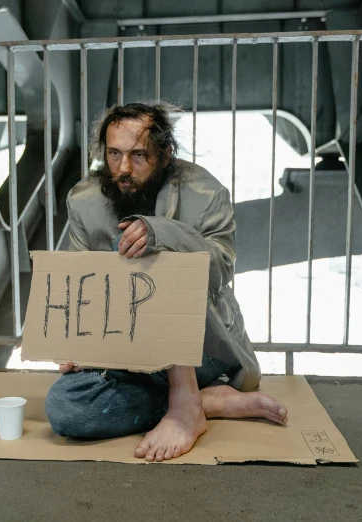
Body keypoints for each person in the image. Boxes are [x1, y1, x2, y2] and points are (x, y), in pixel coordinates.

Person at [45, 102, 288, 462]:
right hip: (133, 356)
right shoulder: (84, 200)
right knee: (65, 410)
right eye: (114, 154)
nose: (123, 169)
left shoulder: (207, 193)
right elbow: (85, 284)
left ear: (165, 153)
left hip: (204, 350)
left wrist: (159, 234)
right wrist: (78, 343)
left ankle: (186, 397)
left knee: (136, 247)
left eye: (138, 155)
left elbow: (219, 273)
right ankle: (199, 401)